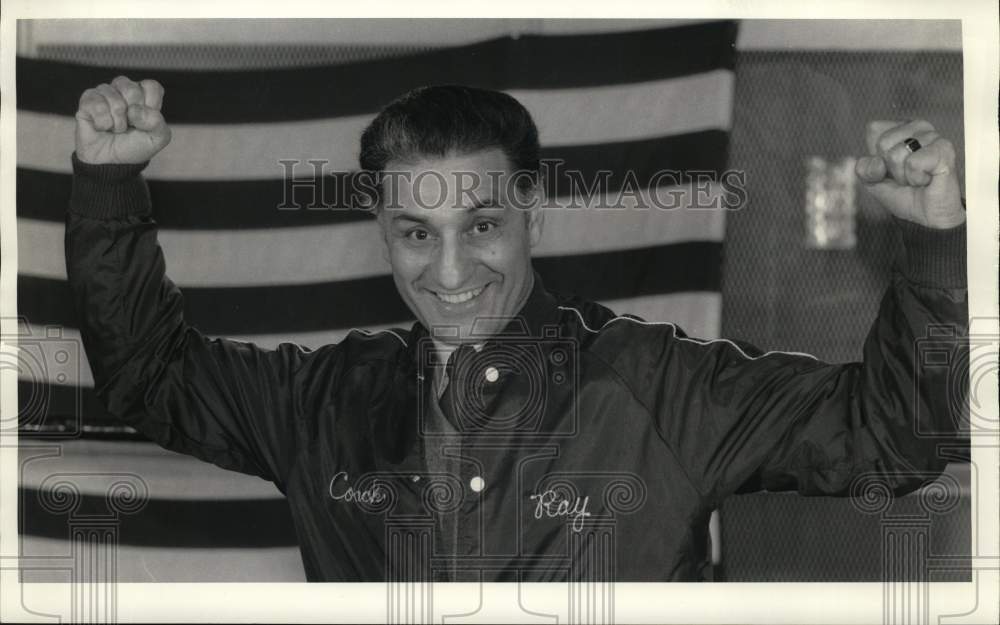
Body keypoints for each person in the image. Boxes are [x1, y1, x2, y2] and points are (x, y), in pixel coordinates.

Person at [66, 76, 968, 582]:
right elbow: (148, 376)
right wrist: (108, 185)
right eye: (417, 233)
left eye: (482, 226)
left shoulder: (661, 384)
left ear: (534, 214)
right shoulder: (320, 400)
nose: (450, 273)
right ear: (382, 229)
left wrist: (933, 244)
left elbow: (894, 438)